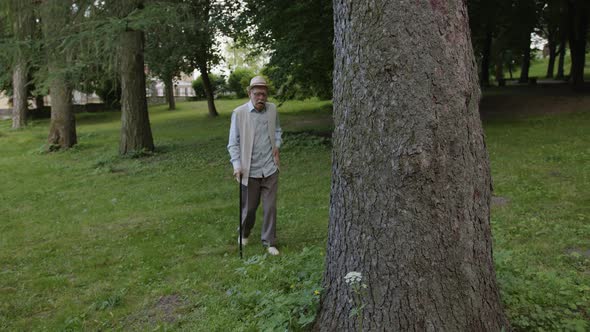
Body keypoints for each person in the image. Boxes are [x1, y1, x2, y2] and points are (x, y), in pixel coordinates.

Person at [227, 76, 282, 256]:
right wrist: (237, 164)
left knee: (270, 207)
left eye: (264, 94)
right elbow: (233, 143)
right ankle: (244, 232)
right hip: (249, 170)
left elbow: (278, 130)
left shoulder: (272, 109)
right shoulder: (239, 113)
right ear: (250, 93)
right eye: (257, 94)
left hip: (270, 168)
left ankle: (269, 241)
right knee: (249, 208)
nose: (261, 98)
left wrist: (277, 146)